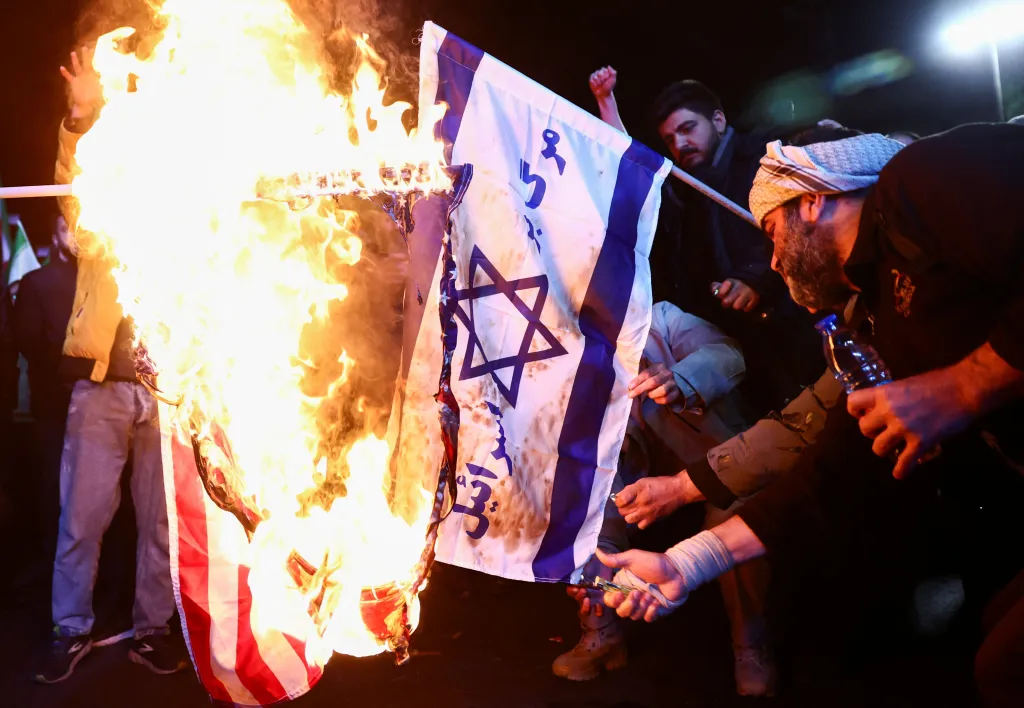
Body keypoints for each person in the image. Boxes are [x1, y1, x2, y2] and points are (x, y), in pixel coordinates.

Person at [594, 125, 1024, 708]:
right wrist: (684, 563)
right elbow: (837, 469)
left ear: (813, 201)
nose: (771, 262)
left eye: (771, 232)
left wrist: (968, 385)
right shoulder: (872, 323)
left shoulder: (920, 183)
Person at [34, 45, 186, 684]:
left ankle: (154, 630)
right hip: (103, 387)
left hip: (173, 389)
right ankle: (70, 630)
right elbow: (73, 198)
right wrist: (78, 119)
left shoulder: (191, 211)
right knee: (82, 519)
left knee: (161, 525)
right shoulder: (104, 212)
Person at [554, 301, 779, 695]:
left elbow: (729, 354)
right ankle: (601, 630)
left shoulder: (663, 319)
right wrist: (599, 550)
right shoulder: (562, 366)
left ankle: (751, 642)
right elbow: (594, 479)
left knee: (736, 516)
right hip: (635, 485)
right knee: (575, 513)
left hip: (716, 464)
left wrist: (682, 379)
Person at [588, 69, 822, 416]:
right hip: (747, 350)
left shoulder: (764, 157)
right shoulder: (688, 186)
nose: (680, 144)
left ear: (718, 120)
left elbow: (804, 227)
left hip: (805, 329)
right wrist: (606, 104)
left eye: (687, 129)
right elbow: (633, 165)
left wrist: (754, 279)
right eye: (669, 139)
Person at [13, 216, 78, 553]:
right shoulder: (37, 283)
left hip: (92, 405)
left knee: (88, 494)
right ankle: (47, 563)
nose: (75, 235)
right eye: (67, 227)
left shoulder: (107, 282)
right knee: (53, 485)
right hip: (54, 404)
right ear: (54, 234)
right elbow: (25, 341)